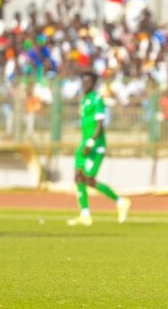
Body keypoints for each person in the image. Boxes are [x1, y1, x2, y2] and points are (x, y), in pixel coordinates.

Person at [67, 71, 131, 226]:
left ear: (93, 83)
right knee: (78, 177)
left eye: (87, 82)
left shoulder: (97, 100)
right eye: (82, 81)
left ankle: (121, 201)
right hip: (85, 142)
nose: (84, 84)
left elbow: (100, 126)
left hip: (96, 146)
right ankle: (85, 214)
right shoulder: (85, 100)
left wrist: (90, 143)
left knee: (89, 179)